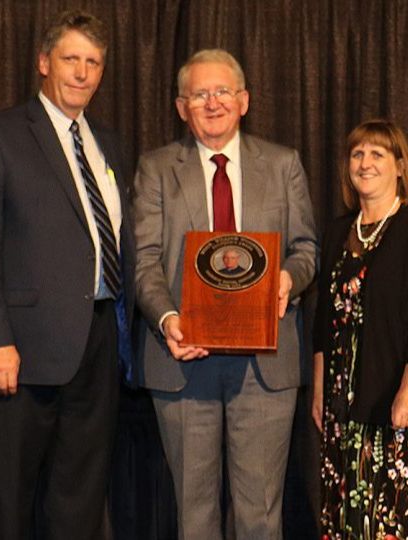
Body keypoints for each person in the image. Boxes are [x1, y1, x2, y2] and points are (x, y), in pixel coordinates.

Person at [0, 10, 135, 540]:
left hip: (98, 345)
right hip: (19, 353)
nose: (81, 72)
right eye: (70, 58)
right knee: (2, 499)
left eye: (93, 62)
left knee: (78, 499)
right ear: (43, 62)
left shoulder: (110, 144)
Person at [134, 48, 318, 539]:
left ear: (244, 100)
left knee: (260, 515)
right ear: (180, 107)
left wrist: (288, 280)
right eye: (199, 94)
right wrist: (169, 319)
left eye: (222, 92)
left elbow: (305, 249)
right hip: (183, 358)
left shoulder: (283, 165)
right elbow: (144, 261)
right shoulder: (155, 169)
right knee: (194, 517)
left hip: (265, 361)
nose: (211, 103)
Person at [312, 119, 408, 538]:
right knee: (353, 520)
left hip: (404, 404)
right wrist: (319, 392)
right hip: (346, 410)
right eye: (357, 154)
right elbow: (324, 322)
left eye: (377, 154)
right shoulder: (336, 233)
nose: (365, 163)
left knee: (405, 524)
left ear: (400, 166)